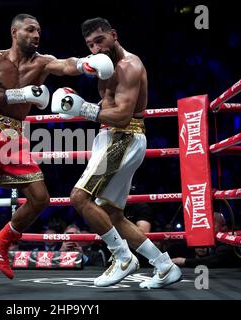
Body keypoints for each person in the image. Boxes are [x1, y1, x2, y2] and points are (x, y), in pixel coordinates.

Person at [0, 13, 114, 292]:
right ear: (14, 32)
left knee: (40, 198)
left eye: (39, 30)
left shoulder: (42, 62)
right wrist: (21, 95)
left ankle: (0, 241)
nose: (37, 34)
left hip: (14, 135)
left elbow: (65, 66)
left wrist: (86, 64)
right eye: (30, 30)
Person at [51, 17, 182, 289]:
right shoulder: (102, 66)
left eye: (100, 40)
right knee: (112, 214)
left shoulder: (129, 66)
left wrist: (82, 109)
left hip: (123, 137)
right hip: (110, 137)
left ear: (113, 35)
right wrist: (80, 104)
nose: (96, 48)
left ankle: (123, 258)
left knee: (79, 197)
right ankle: (164, 265)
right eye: (90, 44)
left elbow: (122, 115)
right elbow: (109, 102)